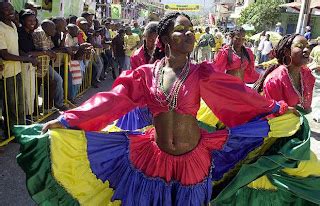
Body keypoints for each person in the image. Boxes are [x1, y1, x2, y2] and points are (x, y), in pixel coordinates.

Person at [15, 12, 320, 205]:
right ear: (164, 38)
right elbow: (111, 99)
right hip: (152, 159)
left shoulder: (203, 73)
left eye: (191, 31)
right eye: (180, 30)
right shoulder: (145, 73)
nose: (188, 35)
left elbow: (242, 96)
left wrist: (277, 108)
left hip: (193, 162)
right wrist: (68, 120)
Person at [0, 2, 37, 137]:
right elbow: (4, 54)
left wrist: (26, 56)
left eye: (11, 8)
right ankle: (12, 132)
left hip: (17, 70)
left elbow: (16, 48)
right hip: (6, 73)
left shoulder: (13, 25)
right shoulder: (1, 27)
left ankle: (21, 129)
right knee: (11, 105)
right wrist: (26, 59)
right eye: (5, 9)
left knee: (20, 103)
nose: (10, 11)